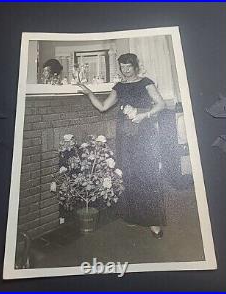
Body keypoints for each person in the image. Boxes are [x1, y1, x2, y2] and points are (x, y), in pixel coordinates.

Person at [78, 53, 166, 239]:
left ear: (135, 66)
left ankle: (153, 221)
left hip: (144, 132)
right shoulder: (119, 87)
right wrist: (88, 93)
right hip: (125, 134)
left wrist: (144, 115)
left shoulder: (146, 82)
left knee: (147, 174)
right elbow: (102, 107)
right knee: (128, 173)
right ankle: (134, 215)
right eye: (122, 68)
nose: (125, 71)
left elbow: (161, 104)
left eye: (128, 67)